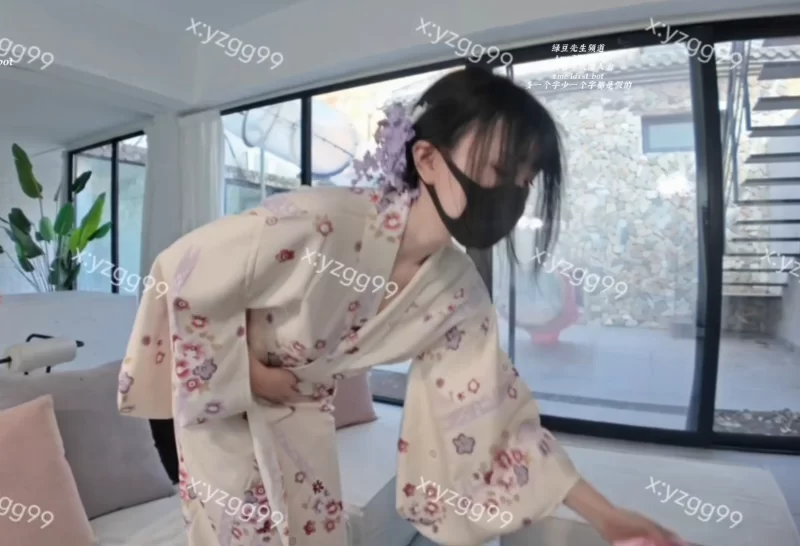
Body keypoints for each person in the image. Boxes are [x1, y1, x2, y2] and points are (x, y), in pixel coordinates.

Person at [118, 67, 686, 546]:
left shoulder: (456, 291)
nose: (511, 193)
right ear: (428, 158)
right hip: (225, 413)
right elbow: (182, 271)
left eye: (524, 180)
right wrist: (250, 374)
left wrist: (605, 516)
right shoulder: (323, 219)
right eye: (497, 171)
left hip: (302, 419)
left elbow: (491, 412)